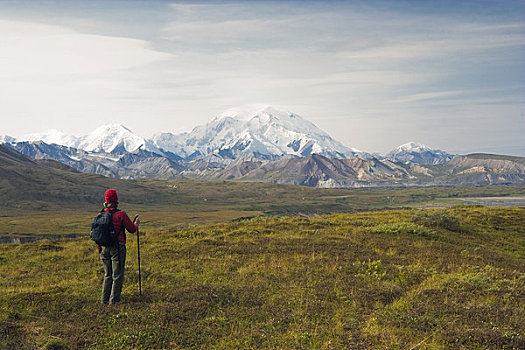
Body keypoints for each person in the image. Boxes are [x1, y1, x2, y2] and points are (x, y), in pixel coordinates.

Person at [98, 189, 140, 305]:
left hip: (104, 248)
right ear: (116, 200)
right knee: (117, 275)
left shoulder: (100, 214)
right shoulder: (121, 214)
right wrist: (136, 223)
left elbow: (97, 233)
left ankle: (104, 301)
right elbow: (132, 229)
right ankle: (114, 302)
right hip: (117, 247)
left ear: (106, 201)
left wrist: (100, 251)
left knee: (108, 275)